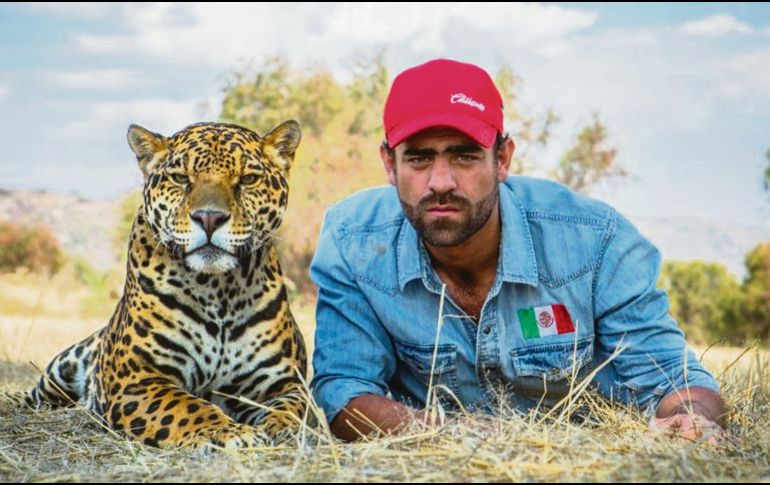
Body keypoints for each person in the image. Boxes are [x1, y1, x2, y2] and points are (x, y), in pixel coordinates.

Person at [309, 59, 727, 443]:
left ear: (503, 158)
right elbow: (344, 391)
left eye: (464, 156)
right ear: (389, 164)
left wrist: (691, 418)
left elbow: (674, 378)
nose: (440, 182)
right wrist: (454, 434)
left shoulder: (596, 240)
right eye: (418, 159)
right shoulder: (352, 243)